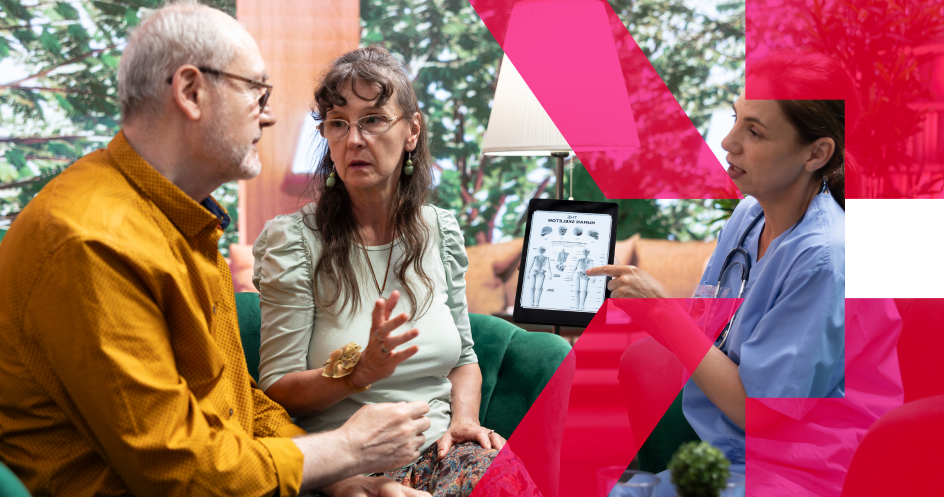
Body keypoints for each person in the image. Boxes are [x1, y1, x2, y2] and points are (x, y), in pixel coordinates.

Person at [0, 4, 431, 497]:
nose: (268, 115)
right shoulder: (91, 239)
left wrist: (346, 484)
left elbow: (234, 402)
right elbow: (182, 472)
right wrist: (349, 449)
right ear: (191, 91)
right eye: (256, 90)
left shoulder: (183, 219)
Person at [252, 45, 537, 497]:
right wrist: (357, 373)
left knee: (503, 481)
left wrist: (464, 422)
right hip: (342, 467)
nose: (354, 139)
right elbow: (276, 389)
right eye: (338, 123)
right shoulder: (293, 241)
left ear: (412, 131)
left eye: (373, 120)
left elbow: (464, 360)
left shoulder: (440, 231)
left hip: (440, 453)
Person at [588, 51, 848, 495]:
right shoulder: (749, 215)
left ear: (816, 153)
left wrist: (662, 311)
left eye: (754, 131)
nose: (728, 142)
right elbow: (708, 328)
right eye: (735, 118)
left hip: (797, 472)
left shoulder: (825, 256)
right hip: (726, 456)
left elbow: (760, 412)